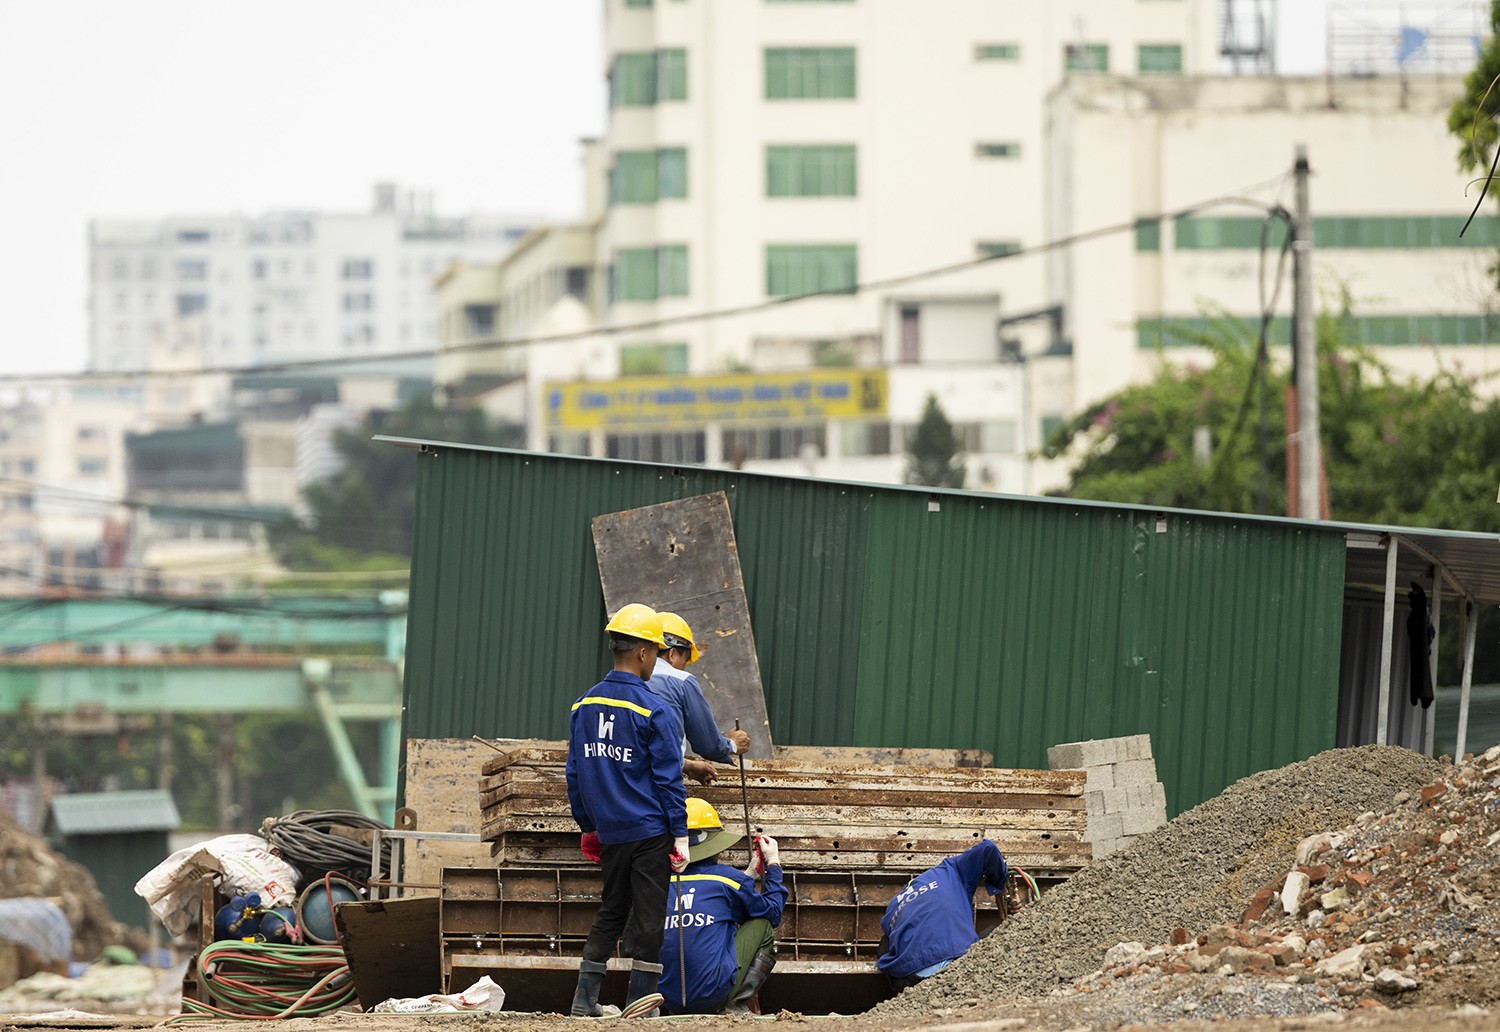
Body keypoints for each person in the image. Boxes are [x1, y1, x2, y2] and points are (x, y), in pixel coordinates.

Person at [566, 603, 690, 1019]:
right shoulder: (654, 710)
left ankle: (583, 1003)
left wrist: (588, 827)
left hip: (612, 832)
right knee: (650, 918)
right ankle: (640, 1005)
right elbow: (669, 780)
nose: (655, 659)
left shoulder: (582, 705)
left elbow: (576, 775)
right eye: (655, 651)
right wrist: (681, 834)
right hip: (651, 831)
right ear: (642, 653)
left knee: (612, 911)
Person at [657, 797, 786, 1015]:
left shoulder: (654, 882)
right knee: (762, 924)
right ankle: (735, 1003)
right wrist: (773, 863)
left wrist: (748, 875)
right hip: (712, 998)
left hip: (665, 1000)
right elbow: (772, 912)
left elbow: (707, 895)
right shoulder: (728, 880)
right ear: (714, 843)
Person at [876, 839, 1010, 990]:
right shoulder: (952, 869)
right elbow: (988, 848)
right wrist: (999, 883)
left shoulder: (895, 903)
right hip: (958, 968)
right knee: (997, 933)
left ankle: (900, 1001)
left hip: (912, 981)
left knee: (884, 944)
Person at [648, 612, 751, 784]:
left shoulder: (624, 679)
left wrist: (686, 765)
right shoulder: (681, 681)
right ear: (672, 654)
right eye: (685, 661)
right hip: (659, 789)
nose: (684, 668)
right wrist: (732, 744)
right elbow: (707, 744)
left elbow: (643, 749)